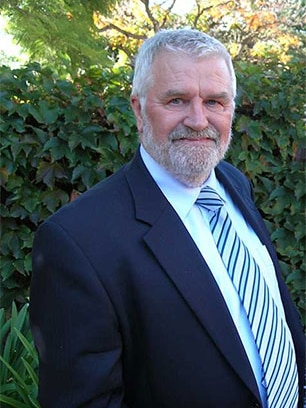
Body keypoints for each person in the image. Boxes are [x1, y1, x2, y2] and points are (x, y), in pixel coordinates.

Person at [30, 29, 305, 408]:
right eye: (177, 100)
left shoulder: (233, 184)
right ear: (139, 109)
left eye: (214, 101)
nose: (198, 119)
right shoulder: (76, 242)